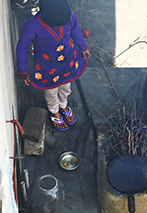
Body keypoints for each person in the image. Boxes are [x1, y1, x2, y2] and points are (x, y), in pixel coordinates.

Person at [16, 0, 91, 131]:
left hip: (67, 62)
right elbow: (21, 48)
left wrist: (83, 47)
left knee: (66, 87)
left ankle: (63, 104)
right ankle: (54, 110)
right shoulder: (32, 26)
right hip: (47, 68)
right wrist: (23, 71)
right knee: (51, 91)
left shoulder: (68, 15)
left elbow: (75, 30)